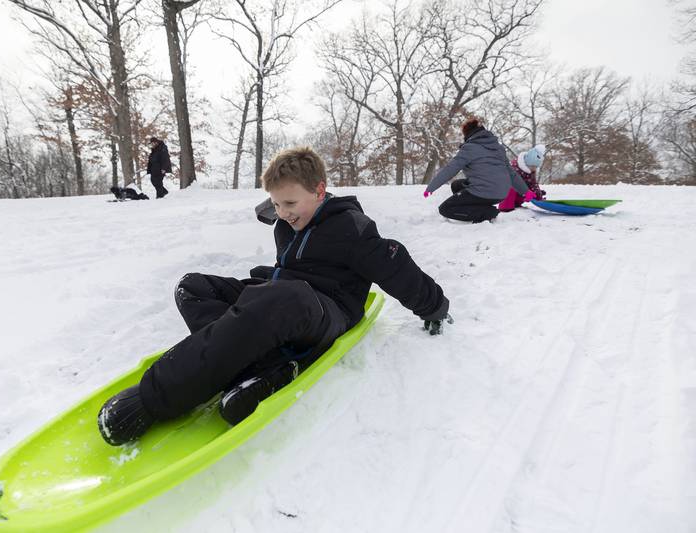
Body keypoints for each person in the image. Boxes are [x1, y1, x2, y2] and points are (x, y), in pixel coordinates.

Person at [97, 146, 451, 446]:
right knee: (193, 286)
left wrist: (434, 306)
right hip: (282, 295)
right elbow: (280, 216)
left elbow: (397, 267)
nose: (283, 213)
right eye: (276, 204)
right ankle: (251, 362)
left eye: (289, 203)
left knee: (281, 298)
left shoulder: (352, 229)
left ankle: (160, 396)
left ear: (320, 190)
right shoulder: (288, 217)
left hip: (325, 309)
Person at [423, 118, 535, 223]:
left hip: (485, 192)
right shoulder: (498, 148)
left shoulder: (470, 148)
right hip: (501, 193)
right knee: (456, 185)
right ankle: (476, 207)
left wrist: (431, 187)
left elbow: (450, 169)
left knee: (445, 209)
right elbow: (511, 173)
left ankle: (488, 213)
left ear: (468, 134)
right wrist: (526, 192)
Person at [498, 145, 547, 212]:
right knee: (512, 186)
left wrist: (538, 196)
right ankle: (506, 207)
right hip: (506, 192)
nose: (534, 169)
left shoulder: (531, 171)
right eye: (533, 166)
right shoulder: (515, 168)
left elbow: (533, 184)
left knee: (526, 188)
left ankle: (516, 204)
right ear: (527, 163)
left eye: (536, 167)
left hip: (520, 193)